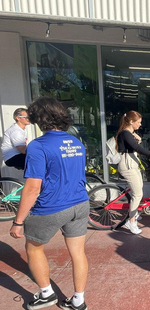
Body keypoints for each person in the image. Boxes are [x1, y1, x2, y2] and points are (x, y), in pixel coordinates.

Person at [9, 97, 89, 310]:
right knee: (78, 253)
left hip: (51, 206)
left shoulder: (38, 146)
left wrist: (18, 221)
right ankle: (78, 301)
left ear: (38, 118)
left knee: (33, 248)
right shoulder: (76, 142)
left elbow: (33, 188)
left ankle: (47, 294)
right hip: (80, 203)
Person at [116, 110, 150, 235]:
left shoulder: (128, 133)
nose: (140, 125)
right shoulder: (125, 134)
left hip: (132, 164)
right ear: (131, 122)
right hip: (128, 166)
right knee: (137, 194)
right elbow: (137, 149)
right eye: (139, 122)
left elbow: (133, 146)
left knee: (139, 190)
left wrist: (137, 137)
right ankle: (130, 222)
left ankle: (134, 214)